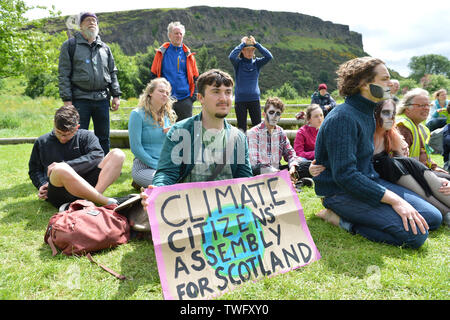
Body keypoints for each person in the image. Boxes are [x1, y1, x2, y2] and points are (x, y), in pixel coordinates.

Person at [312, 57, 442, 249]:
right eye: (385, 79)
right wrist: (395, 200)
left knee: (433, 218)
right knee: (416, 235)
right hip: (340, 192)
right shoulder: (343, 117)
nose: (390, 84)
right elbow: (345, 176)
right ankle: (341, 219)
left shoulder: (367, 112)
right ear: (364, 84)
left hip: (369, 182)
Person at [313, 98, 450, 225]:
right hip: (392, 176)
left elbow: (410, 158)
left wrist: (434, 170)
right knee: (433, 205)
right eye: (386, 113)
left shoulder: (393, 135)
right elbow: (337, 159)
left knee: (441, 184)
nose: (391, 117)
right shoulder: (363, 133)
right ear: (375, 114)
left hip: (406, 169)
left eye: (393, 113)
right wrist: (311, 168)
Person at [151, 68, 253, 186]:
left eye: (228, 92)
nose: (224, 98)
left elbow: (245, 179)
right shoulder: (179, 132)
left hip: (227, 204)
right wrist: (157, 190)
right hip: (188, 203)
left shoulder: (239, 138)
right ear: (200, 98)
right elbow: (167, 174)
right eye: (216, 92)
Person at [28, 105, 125, 211]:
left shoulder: (86, 136)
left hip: (88, 185)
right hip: (59, 191)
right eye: (59, 133)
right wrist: (42, 183)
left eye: (67, 134)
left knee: (118, 154)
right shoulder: (42, 142)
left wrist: (67, 165)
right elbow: (34, 170)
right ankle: (105, 201)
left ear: (77, 127)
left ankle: (89, 202)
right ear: (54, 123)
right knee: (60, 170)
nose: (62, 138)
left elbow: (97, 156)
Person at [58, 12, 121, 155]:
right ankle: (78, 169)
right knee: (78, 136)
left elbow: (112, 73)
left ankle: (103, 168)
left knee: (103, 138)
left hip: (102, 100)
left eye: (94, 21)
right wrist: (67, 100)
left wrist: (116, 95)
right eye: (87, 21)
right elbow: (64, 75)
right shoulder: (70, 46)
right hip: (79, 100)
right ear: (80, 26)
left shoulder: (105, 48)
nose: (92, 23)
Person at [246, 97, 313, 189]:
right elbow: (255, 162)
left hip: (278, 170)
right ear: (264, 114)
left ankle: (290, 182)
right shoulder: (253, 132)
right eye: (271, 112)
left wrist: (292, 167)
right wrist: (279, 174)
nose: (274, 116)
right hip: (262, 172)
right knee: (257, 169)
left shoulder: (280, 132)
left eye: (278, 113)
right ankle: (294, 183)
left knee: (308, 165)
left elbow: (290, 153)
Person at [128, 78, 177, 189]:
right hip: (144, 167)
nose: (164, 95)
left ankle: (144, 185)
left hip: (166, 166)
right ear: (150, 93)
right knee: (168, 185)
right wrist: (158, 167)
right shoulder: (137, 114)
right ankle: (141, 181)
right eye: (161, 91)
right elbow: (136, 148)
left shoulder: (168, 115)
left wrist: (175, 134)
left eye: (167, 93)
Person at [150, 21, 199, 122]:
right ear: (169, 35)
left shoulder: (188, 55)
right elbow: (153, 75)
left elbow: (196, 77)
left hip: (185, 99)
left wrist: (192, 97)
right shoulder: (161, 53)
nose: (179, 36)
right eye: (176, 33)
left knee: (186, 132)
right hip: (165, 98)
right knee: (165, 129)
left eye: (181, 33)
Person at [396, 88, 450, 179]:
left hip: (423, 170)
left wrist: (434, 166)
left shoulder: (422, 128)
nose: (426, 108)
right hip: (413, 175)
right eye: (421, 105)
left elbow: (425, 153)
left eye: (427, 105)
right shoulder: (404, 128)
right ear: (407, 109)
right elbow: (400, 163)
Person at [229, 36, 273, 132]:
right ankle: (242, 147)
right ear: (242, 51)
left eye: (252, 50)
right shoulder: (238, 63)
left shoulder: (257, 63)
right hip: (240, 100)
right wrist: (242, 44)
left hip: (254, 99)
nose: (250, 52)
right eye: (247, 50)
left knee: (258, 128)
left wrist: (257, 44)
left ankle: (257, 147)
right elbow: (231, 56)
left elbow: (269, 56)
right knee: (241, 128)